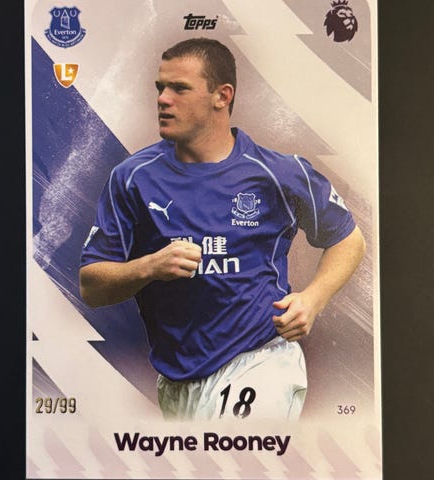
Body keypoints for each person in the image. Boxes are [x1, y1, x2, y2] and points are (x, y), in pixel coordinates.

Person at [79, 37, 366, 421]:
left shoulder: (278, 172)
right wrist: (150, 266)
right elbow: (92, 287)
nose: (163, 99)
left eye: (179, 88)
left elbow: (348, 239)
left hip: (259, 363)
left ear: (222, 96)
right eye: (160, 88)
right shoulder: (132, 178)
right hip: (176, 381)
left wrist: (312, 299)